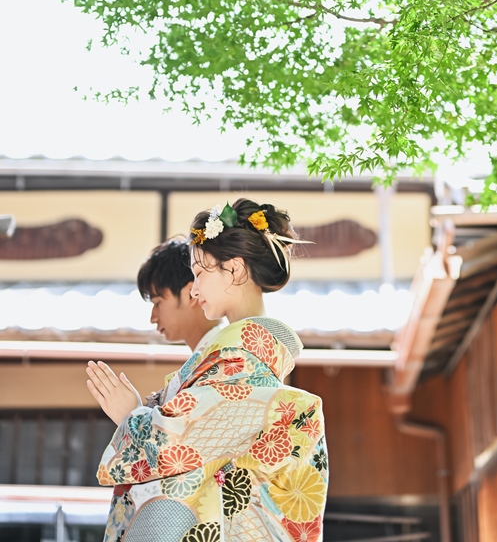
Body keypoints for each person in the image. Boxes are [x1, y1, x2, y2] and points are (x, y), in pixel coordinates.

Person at [86, 198, 328, 542]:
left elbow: (186, 441)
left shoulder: (243, 361)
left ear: (236, 269)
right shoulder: (233, 356)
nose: (194, 286)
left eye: (200, 273)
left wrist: (133, 415)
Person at [136, 237, 225, 406]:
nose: (153, 318)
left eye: (157, 303)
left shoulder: (221, 357)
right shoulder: (215, 352)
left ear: (191, 293)